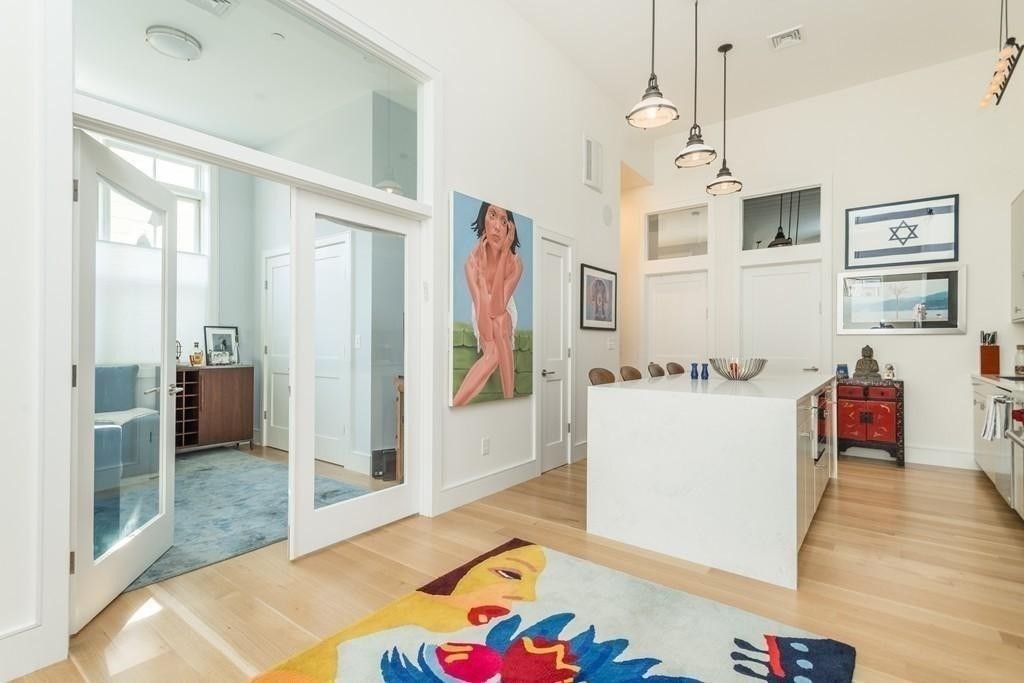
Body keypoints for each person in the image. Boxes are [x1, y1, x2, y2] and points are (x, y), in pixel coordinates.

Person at [453, 202, 523, 406]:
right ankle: (508, 401)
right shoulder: (472, 262)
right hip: (481, 310)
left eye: (504, 221)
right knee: (492, 352)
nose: (497, 226)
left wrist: (502, 256)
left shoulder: (515, 263)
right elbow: (485, 326)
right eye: (492, 216)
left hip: (504, 307)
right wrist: (482, 280)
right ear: (483, 220)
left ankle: (462, 402)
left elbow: (498, 307)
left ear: (509, 229)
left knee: (501, 322)